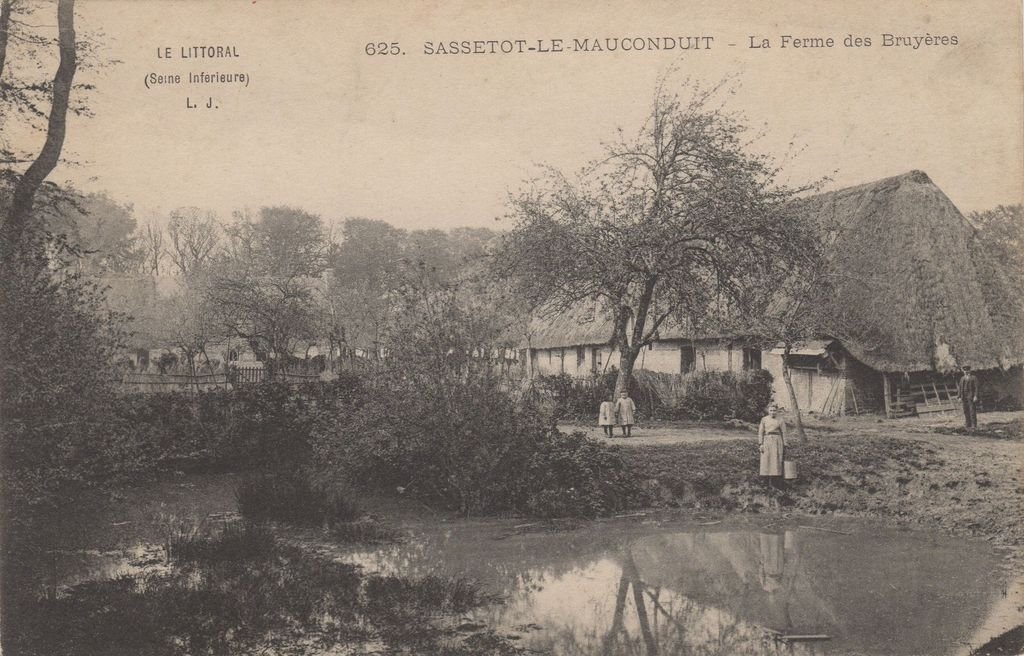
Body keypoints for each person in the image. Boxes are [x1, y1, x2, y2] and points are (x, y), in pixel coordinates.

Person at [758, 404, 786, 489]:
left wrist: (785, 444)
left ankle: (775, 483)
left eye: (774, 410)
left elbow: (784, 432)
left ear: (777, 411)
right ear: (768, 411)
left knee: (776, 460)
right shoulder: (764, 419)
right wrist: (761, 444)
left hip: (777, 441)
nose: (773, 412)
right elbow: (760, 432)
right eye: (771, 410)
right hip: (766, 441)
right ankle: (765, 483)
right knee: (766, 460)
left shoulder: (780, 420)